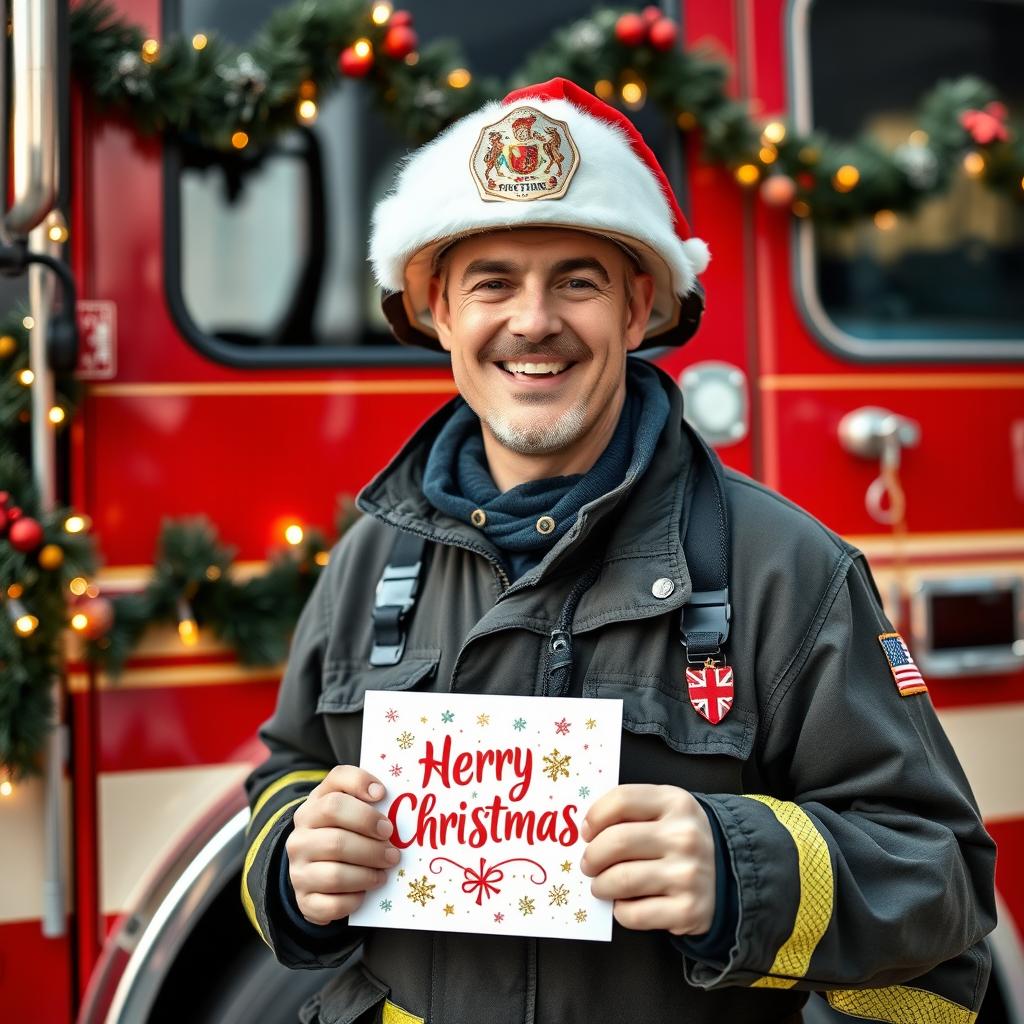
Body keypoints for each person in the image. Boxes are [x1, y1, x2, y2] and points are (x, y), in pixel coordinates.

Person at [242, 78, 996, 1024]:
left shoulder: (786, 572)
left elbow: (945, 885)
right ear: (437, 311)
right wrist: (294, 855)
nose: (532, 320)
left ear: (640, 309)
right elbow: (286, 775)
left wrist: (736, 869)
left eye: (577, 280)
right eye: (491, 281)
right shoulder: (371, 559)